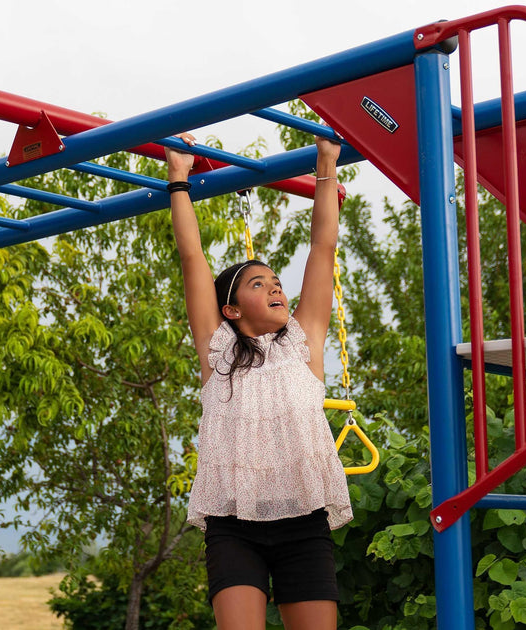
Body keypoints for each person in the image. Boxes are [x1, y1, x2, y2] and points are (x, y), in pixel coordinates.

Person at [165, 131, 353, 630]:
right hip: (233, 525)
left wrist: (327, 164)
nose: (275, 288)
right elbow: (192, 259)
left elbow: (323, 247)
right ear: (230, 309)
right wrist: (178, 177)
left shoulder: (303, 343)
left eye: (276, 282)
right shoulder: (218, 353)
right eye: (257, 283)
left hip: (304, 520)